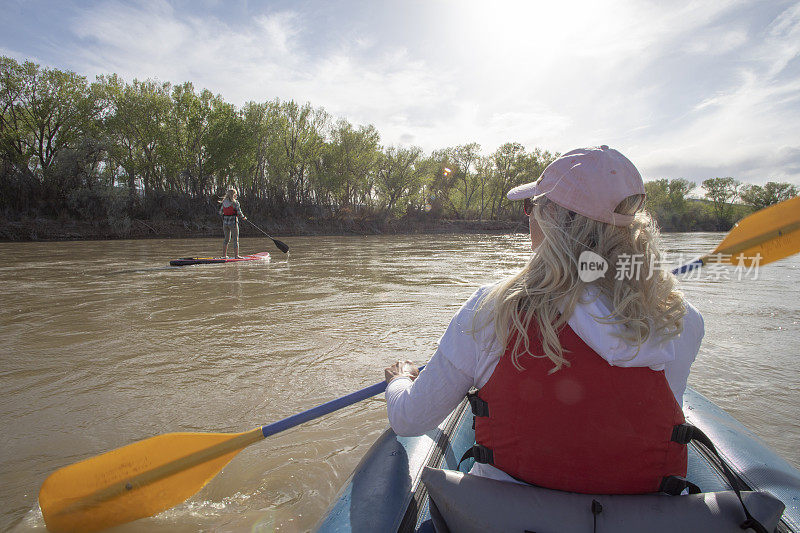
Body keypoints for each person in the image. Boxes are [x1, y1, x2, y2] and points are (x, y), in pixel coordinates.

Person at [384, 145, 705, 494]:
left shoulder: (490, 310)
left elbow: (409, 419)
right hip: (643, 517)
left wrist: (400, 381)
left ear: (550, 216)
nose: (529, 220)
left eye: (530, 208)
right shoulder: (682, 319)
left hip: (507, 518)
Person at [218, 187, 247, 258]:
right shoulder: (235, 203)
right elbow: (239, 213)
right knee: (235, 240)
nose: (236, 196)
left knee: (226, 239)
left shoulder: (224, 202)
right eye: (236, 194)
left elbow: (221, 212)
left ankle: (224, 256)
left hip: (225, 224)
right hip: (233, 223)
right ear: (234, 195)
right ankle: (236, 256)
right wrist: (243, 217)